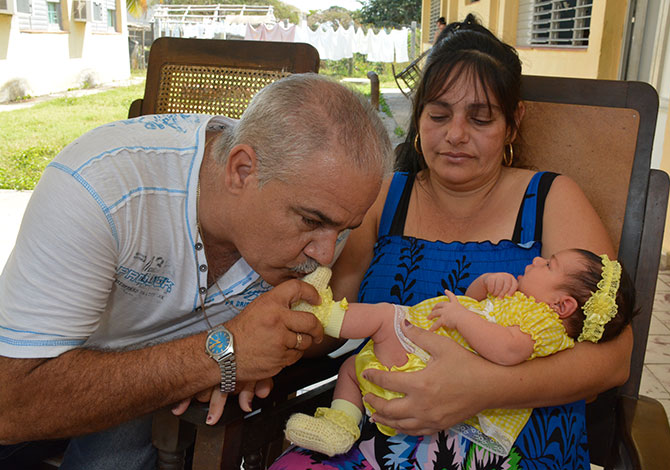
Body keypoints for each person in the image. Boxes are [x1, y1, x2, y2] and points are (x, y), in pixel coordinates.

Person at [272, 15, 631, 469]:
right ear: (419, 115)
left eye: (481, 119)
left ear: (513, 122)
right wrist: (262, 350)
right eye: (439, 115)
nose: (456, 135)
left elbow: (613, 361)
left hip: (511, 446)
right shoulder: (386, 198)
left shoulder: (551, 199)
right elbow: (333, 316)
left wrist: (479, 387)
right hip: (376, 436)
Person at [0, 73, 392, 469]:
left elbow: (318, 332)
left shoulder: (325, 208)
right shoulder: (102, 187)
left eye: (344, 230)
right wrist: (223, 355)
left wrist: (273, 349)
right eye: (310, 221)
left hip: (149, 402)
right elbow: (10, 405)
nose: (326, 255)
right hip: (54, 370)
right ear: (241, 170)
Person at [284, 249, 634, 457]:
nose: (539, 259)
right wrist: (485, 285)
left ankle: (320, 312)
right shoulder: (520, 300)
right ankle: (340, 427)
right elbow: (473, 298)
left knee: (384, 316)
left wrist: (460, 316)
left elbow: (507, 350)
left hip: (425, 367)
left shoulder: (543, 325)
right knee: (350, 368)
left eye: (550, 265)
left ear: (562, 305)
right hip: (418, 366)